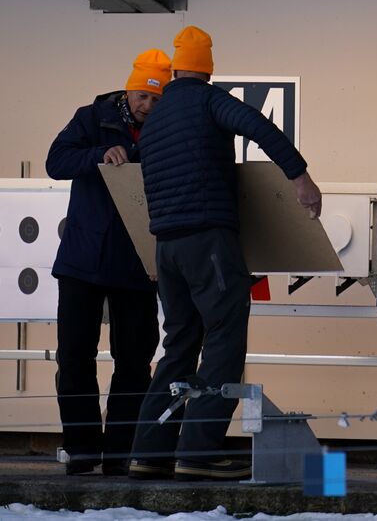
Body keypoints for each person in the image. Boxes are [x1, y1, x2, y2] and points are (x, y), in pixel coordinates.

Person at [127, 25, 322, 482]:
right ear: (208, 69)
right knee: (224, 337)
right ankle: (198, 452)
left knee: (178, 344)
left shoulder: (154, 120)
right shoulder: (208, 100)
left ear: (176, 68)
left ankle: (148, 452)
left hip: (167, 247)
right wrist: (300, 178)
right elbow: (259, 127)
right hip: (207, 241)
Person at [46, 49, 171, 476]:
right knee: (75, 356)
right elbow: (55, 162)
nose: (147, 107)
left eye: (156, 99)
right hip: (84, 257)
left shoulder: (170, 127)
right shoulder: (91, 116)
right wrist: (100, 155)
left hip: (139, 260)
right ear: (129, 88)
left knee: (134, 362)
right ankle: (82, 449)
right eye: (141, 96)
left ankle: (120, 453)